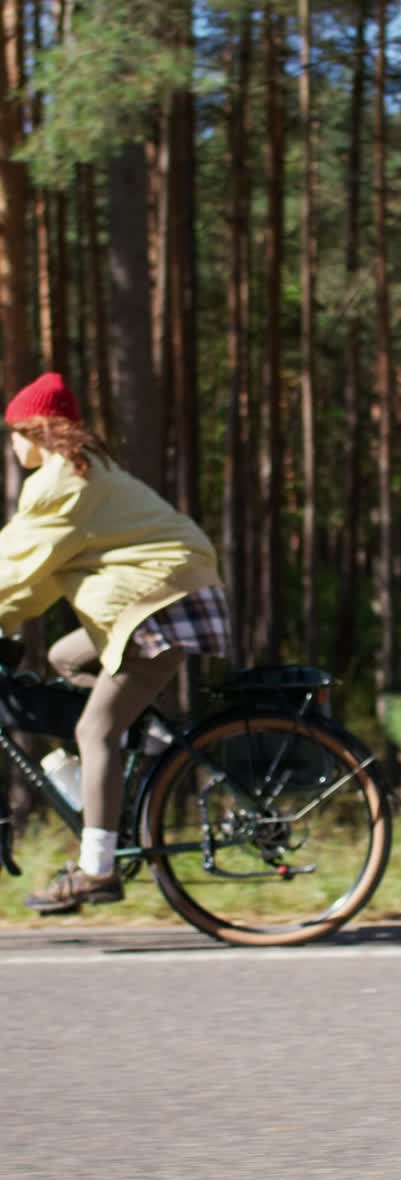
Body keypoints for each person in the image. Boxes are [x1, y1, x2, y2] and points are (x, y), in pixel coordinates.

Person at [0, 371, 230, 913]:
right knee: (63, 657)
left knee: (94, 727)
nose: (10, 443)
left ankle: (96, 869)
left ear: (35, 430)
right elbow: (35, 578)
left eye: (13, 431)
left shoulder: (61, 483)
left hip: (164, 604)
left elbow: (13, 564)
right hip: (162, 596)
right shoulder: (83, 472)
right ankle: (142, 736)